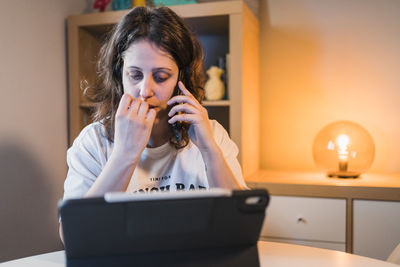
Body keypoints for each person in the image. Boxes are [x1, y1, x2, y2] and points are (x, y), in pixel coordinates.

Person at [60, 4, 247, 242]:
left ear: (182, 77)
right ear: (120, 74)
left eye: (161, 77)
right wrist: (124, 155)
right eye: (135, 75)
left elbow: (240, 227)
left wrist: (210, 150)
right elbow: (73, 236)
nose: (145, 91)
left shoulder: (213, 135)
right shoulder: (93, 142)